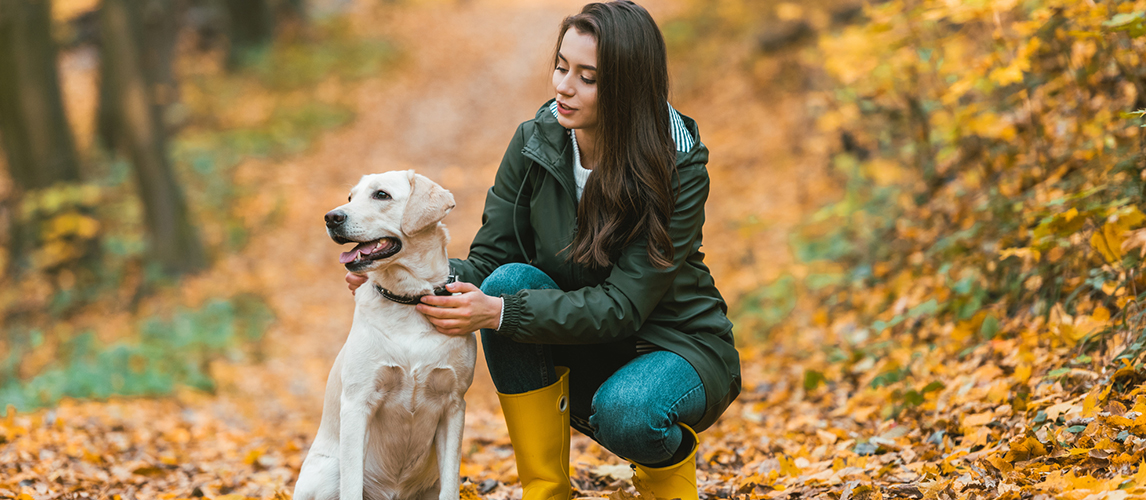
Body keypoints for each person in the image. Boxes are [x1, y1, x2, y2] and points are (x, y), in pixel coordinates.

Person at [347, 2, 740, 499]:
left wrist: (498, 313)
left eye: (588, 77)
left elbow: (623, 305)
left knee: (629, 412)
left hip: (674, 344)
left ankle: (668, 478)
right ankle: (547, 490)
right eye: (561, 66)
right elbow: (488, 261)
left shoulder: (675, 165)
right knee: (506, 281)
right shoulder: (535, 143)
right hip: (579, 339)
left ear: (628, 86)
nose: (563, 87)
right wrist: (399, 270)